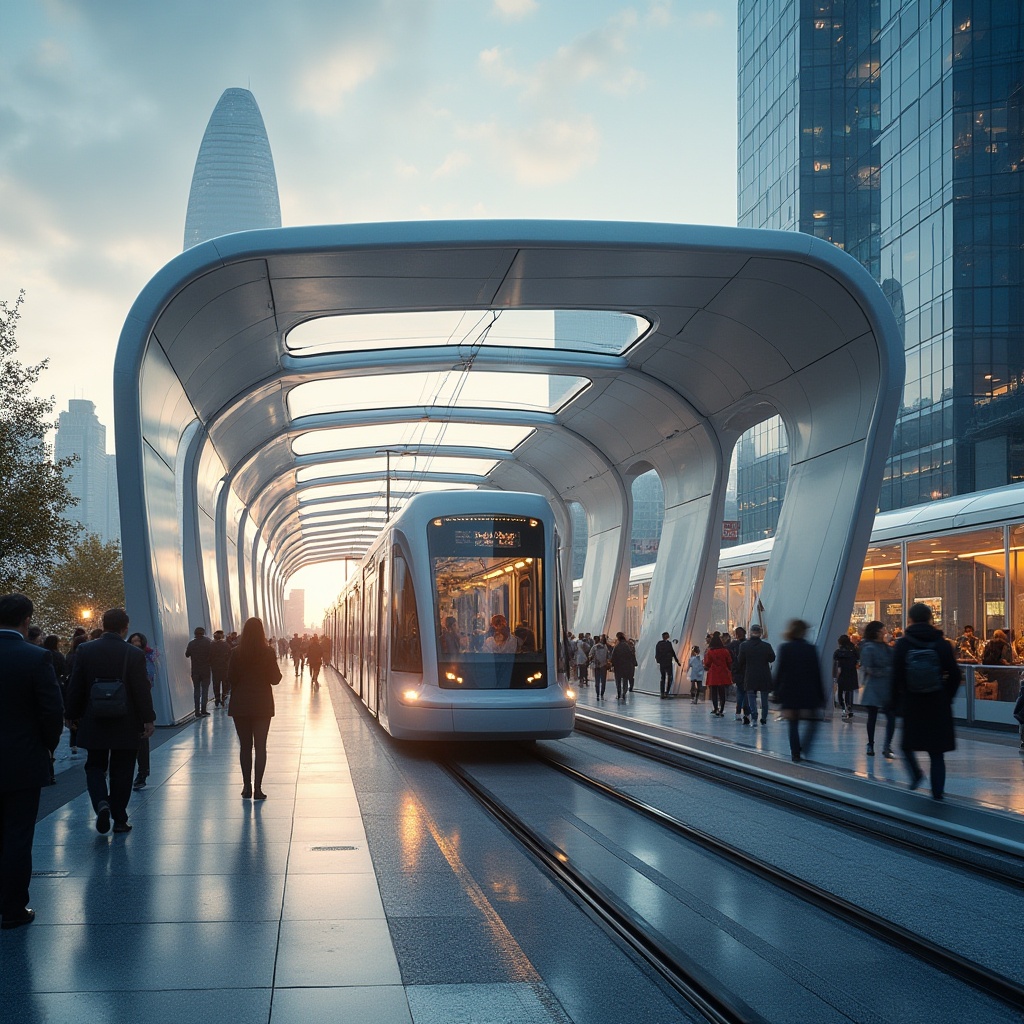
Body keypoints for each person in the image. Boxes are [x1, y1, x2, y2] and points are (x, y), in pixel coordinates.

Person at [0, 594, 65, 929]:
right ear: (26, 620)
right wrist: (47, 746)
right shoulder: (36, 658)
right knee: (17, 834)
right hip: (22, 762)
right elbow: (52, 712)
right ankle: (12, 908)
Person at [65, 607, 156, 834]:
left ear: (103, 625)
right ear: (125, 628)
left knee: (95, 765)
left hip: (94, 718)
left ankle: (101, 803)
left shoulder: (85, 650)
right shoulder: (134, 654)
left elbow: (76, 686)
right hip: (126, 720)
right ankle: (120, 819)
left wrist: (71, 714)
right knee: (123, 770)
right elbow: (141, 690)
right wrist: (148, 719)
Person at [891, 602, 962, 800]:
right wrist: (946, 696)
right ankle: (937, 793)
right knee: (937, 752)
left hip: (913, 703)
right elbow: (955, 674)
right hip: (937, 703)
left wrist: (895, 702)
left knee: (906, 745)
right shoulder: (942, 643)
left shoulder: (903, 644)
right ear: (930, 619)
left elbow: (896, 676)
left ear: (910, 620)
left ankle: (916, 775)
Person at [227, 617, 282, 800]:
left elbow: (231, 679)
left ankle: (246, 787)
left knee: (245, 747)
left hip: (241, 705)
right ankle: (258, 789)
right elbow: (275, 679)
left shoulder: (236, 652)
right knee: (260, 747)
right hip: (262, 705)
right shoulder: (268, 652)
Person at [772, 619, 826, 762]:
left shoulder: (785, 648)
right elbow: (816, 673)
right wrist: (821, 695)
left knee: (793, 723)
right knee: (812, 722)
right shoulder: (811, 649)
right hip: (808, 691)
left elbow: (780, 672)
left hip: (790, 691)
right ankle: (805, 748)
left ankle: (795, 752)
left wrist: (776, 691)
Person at [858, 620, 896, 758]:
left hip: (885, 687)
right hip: (874, 687)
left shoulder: (888, 648)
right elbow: (868, 668)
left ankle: (886, 745)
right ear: (877, 632)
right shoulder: (869, 648)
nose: (885, 632)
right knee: (873, 717)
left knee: (889, 717)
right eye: (883, 630)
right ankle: (871, 743)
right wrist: (887, 670)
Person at [127, 632, 159, 789]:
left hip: (134, 706)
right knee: (139, 741)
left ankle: (142, 772)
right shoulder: (130, 656)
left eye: (138, 641)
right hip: (132, 705)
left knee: (141, 741)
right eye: (133, 641)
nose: (136, 643)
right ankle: (140, 773)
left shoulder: (146, 656)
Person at [737, 624, 776, 725]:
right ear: (760, 633)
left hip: (750, 674)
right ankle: (764, 718)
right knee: (764, 698)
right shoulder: (766, 646)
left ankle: (754, 717)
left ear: (750, 632)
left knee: (751, 696)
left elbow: (740, 660)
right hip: (764, 674)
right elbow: (772, 658)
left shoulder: (744, 646)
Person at [184, 626, 213, 718]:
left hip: (195, 670)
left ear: (195, 634)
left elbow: (187, 655)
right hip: (206, 670)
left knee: (196, 690)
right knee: (205, 690)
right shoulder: (208, 642)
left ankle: (197, 711)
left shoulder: (191, 643)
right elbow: (212, 654)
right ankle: (204, 710)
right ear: (203, 633)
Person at [703, 631, 733, 717]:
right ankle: (722, 708)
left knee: (714, 692)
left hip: (713, 674)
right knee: (722, 692)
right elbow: (729, 661)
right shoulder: (725, 651)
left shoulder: (710, 651)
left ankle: (715, 708)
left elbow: (707, 663)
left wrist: (707, 666)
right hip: (723, 673)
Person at [832, 634, 860, 720]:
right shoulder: (854, 650)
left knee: (840, 691)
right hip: (851, 673)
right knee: (849, 691)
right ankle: (849, 707)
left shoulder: (837, 652)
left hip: (842, 674)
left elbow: (835, 664)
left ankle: (843, 708)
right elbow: (858, 661)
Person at [610, 632, 636, 701]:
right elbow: (631, 655)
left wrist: (612, 664)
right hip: (626, 666)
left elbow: (613, 656)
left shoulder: (617, 647)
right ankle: (624, 692)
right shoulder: (628, 646)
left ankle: (619, 693)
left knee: (618, 681)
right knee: (625, 680)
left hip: (618, 666)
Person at [654, 632, 681, 699]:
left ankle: (663, 693)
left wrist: (659, 661)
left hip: (664, 663)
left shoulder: (660, 644)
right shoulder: (668, 644)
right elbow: (672, 652)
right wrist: (677, 661)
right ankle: (666, 692)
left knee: (663, 678)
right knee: (669, 677)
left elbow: (657, 653)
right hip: (667, 663)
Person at [728, 626, 746, 719]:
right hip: (747, 672)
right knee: (747, 693)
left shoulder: (733, 645)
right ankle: (747, 712)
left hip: (737, 672)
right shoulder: (748, 644)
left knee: (740, 692)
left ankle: (738, 712)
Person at [209, 629, 231, 708]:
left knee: (216, 684)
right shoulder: (226, 645)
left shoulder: (211, 645)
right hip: (225, 667)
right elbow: (229, 656)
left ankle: (217, 698)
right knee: (225, 683)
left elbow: (209, 656)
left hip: (215, 668)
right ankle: (224, 697)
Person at [590, 634, 610, 700]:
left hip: (597, 666)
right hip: (603, 665)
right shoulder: (605, 647)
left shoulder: (594, 647)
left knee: (597, 680)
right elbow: (608, 656)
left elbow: (590, 655)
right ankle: (602, 693)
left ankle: (597, 693)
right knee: (603, 680)